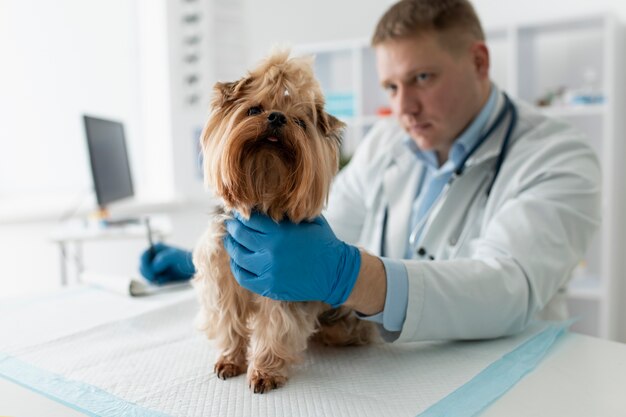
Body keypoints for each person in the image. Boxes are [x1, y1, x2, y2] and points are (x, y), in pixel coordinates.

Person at [140, 0, 601, 342]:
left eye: (422, 78)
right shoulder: (388, 141)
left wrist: (348, 277)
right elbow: (319, 235)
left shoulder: (558, 156)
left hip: (509, 376)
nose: (403, 106)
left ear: (479, 62)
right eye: (390, 86)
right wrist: (225, 256)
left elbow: (508, 289)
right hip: (392, 370)